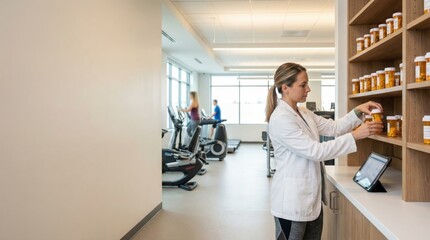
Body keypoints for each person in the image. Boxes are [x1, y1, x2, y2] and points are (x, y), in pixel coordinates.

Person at [265, 62, 384, 240]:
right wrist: (355, 136)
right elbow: (316, 151)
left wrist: (357, 112)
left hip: (312, 200)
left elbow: (334, 127)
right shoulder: (281, 119)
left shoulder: (303, 113)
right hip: (292, 203)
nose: (308, 89)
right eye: (303, 85)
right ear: (285, 88)